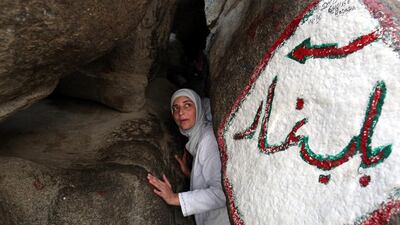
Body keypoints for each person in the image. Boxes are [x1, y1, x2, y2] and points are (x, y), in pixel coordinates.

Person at [147, 89, 230, 225]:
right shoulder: (198, 137)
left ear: (198, 108)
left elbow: (221, 194)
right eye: (176, 108)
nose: (181, 112)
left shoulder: (208, 140)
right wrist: (192, 174)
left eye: (187, 105)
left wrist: (174, 198)